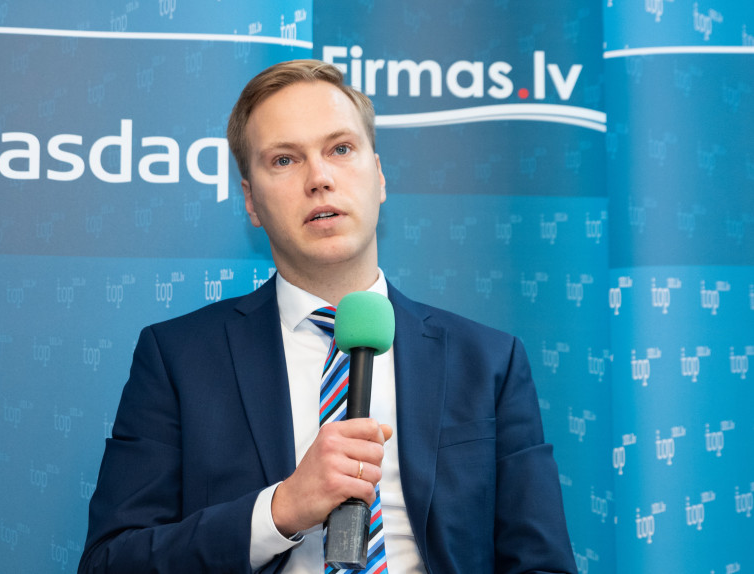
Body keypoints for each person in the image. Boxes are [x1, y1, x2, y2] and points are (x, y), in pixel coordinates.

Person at [79, 59, 576, 574]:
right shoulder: (178, 359)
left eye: (340, 149)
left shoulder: (489, 361)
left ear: (378, 176)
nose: (319, 178)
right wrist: (280, 510)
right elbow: (109, 563)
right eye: (284, 160)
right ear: (251, 201)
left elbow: (542, 565)